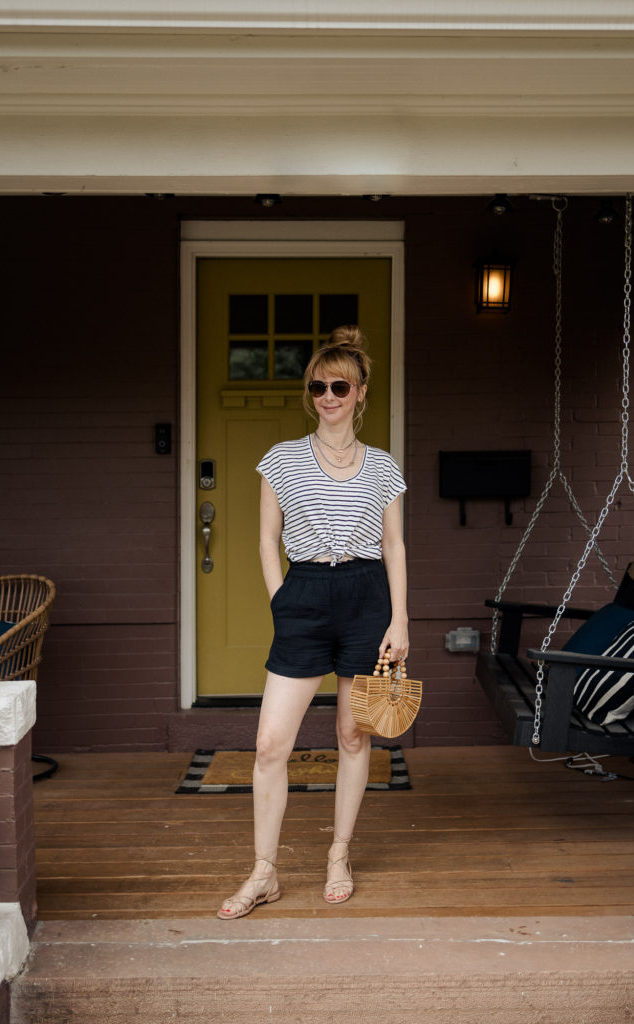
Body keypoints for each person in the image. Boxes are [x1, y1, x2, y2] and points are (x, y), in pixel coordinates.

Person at [217, 324, 408, 919]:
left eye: (340, 386)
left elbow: (395, 545)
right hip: (304, 594)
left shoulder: (382, 466)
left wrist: (401, 619)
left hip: (366, 596)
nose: (328, 396)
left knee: (354, 734)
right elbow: (266, 539)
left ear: (361, 392)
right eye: (319, 386)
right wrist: (281, 600)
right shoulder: (281, 460)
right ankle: (265, 871)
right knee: (271, 742)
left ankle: (339, 854)